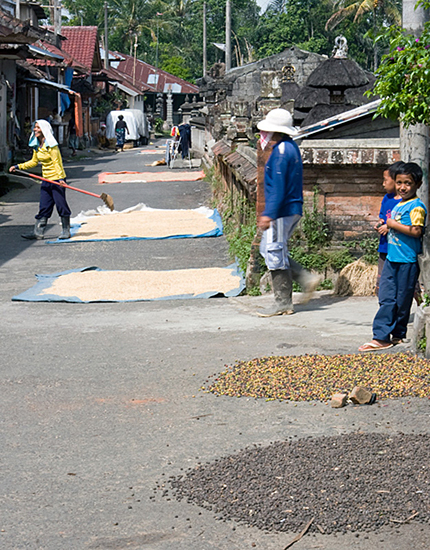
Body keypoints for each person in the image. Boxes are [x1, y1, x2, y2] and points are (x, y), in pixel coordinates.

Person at [256, 108, 320, 317]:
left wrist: (269, 213)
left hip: (282, 209)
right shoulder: (289, 147)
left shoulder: (282, 152)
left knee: (274, 250)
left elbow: (279, 187)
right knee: (269, 249)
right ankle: (304, 278)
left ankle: (283, 301)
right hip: (288, 207)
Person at [359, 162, 427, 351]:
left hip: (407, 261)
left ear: (418, 185)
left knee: (403, 299)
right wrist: (386, 224)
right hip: (392, 259)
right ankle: (381, 336)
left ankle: (397, 334)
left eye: (408, 183)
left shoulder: (416, 207)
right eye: (399, 183)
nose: (402, 187)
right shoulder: (399, 204)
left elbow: (416, 231)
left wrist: (391, 224)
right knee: (387, 297)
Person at [9, 119, 72, 240]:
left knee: (61, 204)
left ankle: (65, 230)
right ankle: (38, 232)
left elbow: (57, 162)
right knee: (44, 205)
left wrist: (60, 178)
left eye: (38, 127)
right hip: (46, 180)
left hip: (57, 180)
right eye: (35, 127)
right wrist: (18, 166)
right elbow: (33, 162)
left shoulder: (52, 146)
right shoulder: (37, 146)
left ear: (44, 130)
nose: (35, 129)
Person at [374, 161, 403, 295]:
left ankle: (423, 307)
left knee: (407, 285)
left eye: (385, 180)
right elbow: (383, 217)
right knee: (382, 284)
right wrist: (380, 223)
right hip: (385, 247)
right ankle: (387, 312)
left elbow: (407, 225)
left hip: (400, 249)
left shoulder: (406, 202)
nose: (383, 184)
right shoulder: (387, 198)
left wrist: (389, 227)